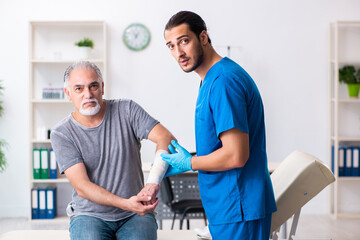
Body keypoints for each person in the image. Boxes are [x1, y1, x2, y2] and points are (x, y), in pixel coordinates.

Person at [161, 11, 277, 240]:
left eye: (184, 41)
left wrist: (190, 162)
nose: (178, 53)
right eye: (171, 46)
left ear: (203, 37)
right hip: (227, 207)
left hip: (239, 206)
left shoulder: (223, 81)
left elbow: (236, 155)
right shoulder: (209, 80)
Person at [50, 61, 175, 240]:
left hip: (135, 212)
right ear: (68, 94)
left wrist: (153, 182)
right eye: (79, 89)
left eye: (93, 86)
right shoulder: (62, 133)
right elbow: (82, 187)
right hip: (89, 215)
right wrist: (125, 204)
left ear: (102, 87)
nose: (88, 94)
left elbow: (166, 138)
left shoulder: (127, 110)